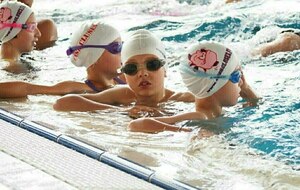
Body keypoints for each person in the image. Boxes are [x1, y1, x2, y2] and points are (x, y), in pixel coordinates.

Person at [53, 29, 194, 116]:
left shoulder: (183, 100)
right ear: (124, 74)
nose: (143, 73)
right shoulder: (123, 95)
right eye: (132, 68)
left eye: (152, 65)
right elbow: (62, 103)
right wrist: (122, 111)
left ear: (165, 69)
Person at [127, 41, 260, 133]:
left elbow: (255, 103)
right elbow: (136, 124)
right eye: (236, 76)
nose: (241, 83)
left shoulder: (211, 113)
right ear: (213, 84)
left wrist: (246, 88)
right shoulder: (200, 116)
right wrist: (185, 131)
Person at [0, 21, 126, 98]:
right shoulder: (76, 88)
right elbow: (28, 89)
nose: (124, 52)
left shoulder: (128, 78)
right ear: (94, 57)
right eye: (117, 48)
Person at [0, 1, 41, 73]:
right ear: (15, 31)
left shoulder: (8, 64)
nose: (38, 34)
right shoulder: (12, 67)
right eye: (32, 27)